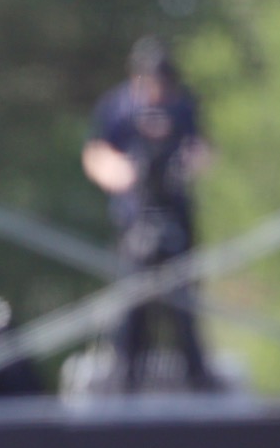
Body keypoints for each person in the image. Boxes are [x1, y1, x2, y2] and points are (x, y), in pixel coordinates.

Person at [82, 37, 218, 394]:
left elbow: (202, 148)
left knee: (183, 299)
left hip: (176, 215)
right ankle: (125, 374)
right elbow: (96, 152)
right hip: (134, 218)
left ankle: (196, 373)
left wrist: (184, 166)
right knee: (133, 300)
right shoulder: (118, 107)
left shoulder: (182, 106)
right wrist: (124, 173)